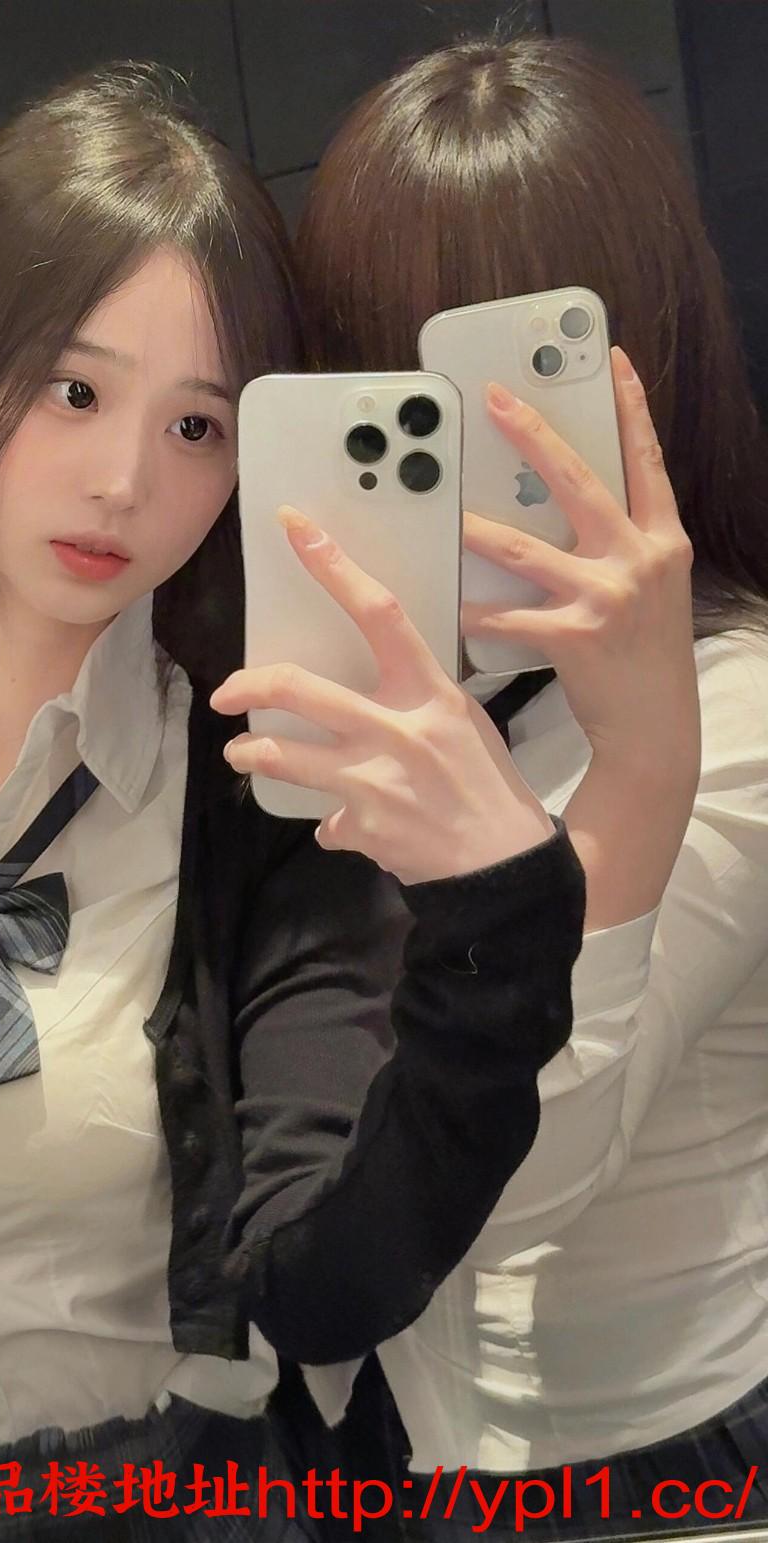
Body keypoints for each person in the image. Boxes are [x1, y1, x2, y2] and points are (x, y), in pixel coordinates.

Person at [0, 63, 589, 1543]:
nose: (123, 481)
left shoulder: (254, 806)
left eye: (197, 427)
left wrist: (496, 931)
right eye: (73, 389)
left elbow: (325, 1285)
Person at [292, 34, 768, 1537]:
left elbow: (519, 1184)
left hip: (656, 1461)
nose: (460, 438)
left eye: (510, 378)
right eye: (397, 368)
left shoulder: (738, 711)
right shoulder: (408, 685)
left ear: (647, 360)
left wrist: (638, 768)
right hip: (411, 1433)